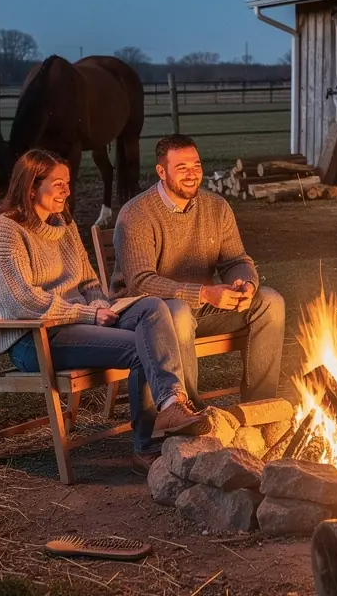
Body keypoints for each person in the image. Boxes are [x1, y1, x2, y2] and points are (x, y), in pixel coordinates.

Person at [0, 148, 205, 473]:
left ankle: (170, 403)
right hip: (34, 338)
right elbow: (21, 302)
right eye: (57, 184)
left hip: (78, 321)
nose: (66, 191)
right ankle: (147, 447)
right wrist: (88, 314)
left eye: (67, 183)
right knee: (142, 349)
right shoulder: (6, 232)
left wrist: (97, 304)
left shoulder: (63, 224)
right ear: (30, 187)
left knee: (152, 307)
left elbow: (88, 280)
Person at [112, 135, 285, 404]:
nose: (192, 175)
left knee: (270, 301)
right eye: (182, 168)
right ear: (161, 171)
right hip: (150, 313)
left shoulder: (216, 207)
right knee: (179, 313)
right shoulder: (137, 214)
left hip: (202, 308)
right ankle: (188, 412)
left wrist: (245, 284)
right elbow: (140, 282)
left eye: (196, 166)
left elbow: (235, 259)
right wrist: (203, 293)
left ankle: (259, 406)